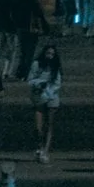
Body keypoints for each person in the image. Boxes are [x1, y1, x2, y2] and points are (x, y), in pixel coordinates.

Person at [26, 30, 61, 159]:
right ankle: (39, 146)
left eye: (52, 54)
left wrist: (48, 90)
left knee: (49, 126)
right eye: (48, 53)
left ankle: (45, 150)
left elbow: (57, 83)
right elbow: (30, 79)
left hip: (51, 97)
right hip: (39, 97)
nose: (50, 56)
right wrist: (39, 84)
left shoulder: (56, 67)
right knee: (38, 127)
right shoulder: (36, 64)